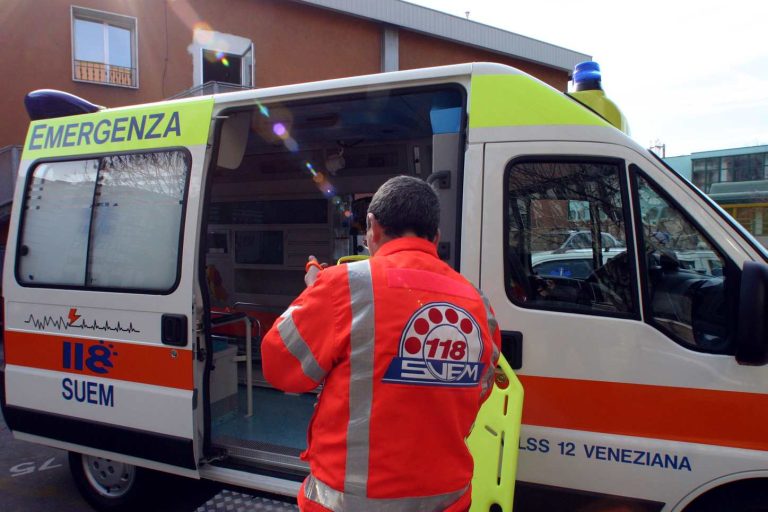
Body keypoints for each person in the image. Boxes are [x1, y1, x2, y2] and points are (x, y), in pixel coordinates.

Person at [261, 175, 501, 512]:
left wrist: (313, 292)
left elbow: (280, 368)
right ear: (435, 236)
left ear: (372, 227)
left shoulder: (341, 286)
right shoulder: (478, 302)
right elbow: (480, 389)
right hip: (446, 499)